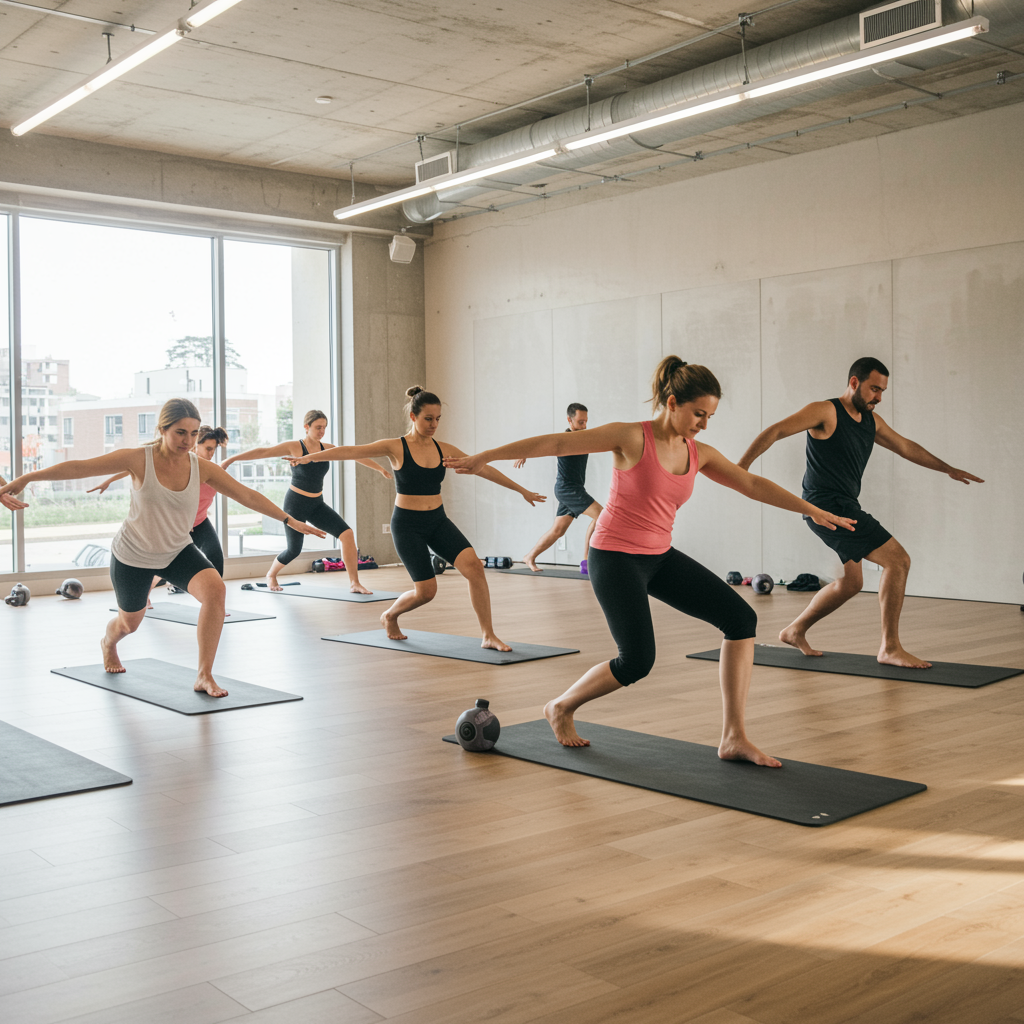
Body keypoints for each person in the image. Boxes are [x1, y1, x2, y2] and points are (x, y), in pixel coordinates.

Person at [445, 356, 855, 760]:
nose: (704, 424)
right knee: (638, 661)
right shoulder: (631, 437)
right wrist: (486, 456)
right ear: (672, 402)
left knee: (740, 619)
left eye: (710, 416)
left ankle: (734, 738)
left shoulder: (699, 452)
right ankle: (561, 706)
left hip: (658, 556)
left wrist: (811, 509)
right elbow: (557, 443)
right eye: (698, 413)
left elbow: (749, 482)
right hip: (615, 557)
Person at [0, 398, 325, 696]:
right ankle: (108, 641)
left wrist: (289, 519)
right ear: (162, 430)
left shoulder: (201, 467)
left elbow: (247, 495)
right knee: (130, 623)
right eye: (181, 432)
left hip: (176, 550)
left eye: (194, 433)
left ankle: (204, 674)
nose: (188, 441)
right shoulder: (139, 459)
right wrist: (29, 477)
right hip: (133, 555)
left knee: (215, 591)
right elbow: (80, 466)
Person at [736, 356, 983, 669]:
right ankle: (889, 647)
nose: (878, 397)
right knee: (899, 560)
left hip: (847, 507)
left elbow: (906, 447)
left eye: (882, 391)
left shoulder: (871, 422)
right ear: (854, 382)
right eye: (874, 389)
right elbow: (776, 431)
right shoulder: (825, 411)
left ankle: (794, 630)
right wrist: (741, 469)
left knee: (851, 583)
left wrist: (947, 468)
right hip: (825, 508)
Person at [286, 386, 546, 651]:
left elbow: (482, 468)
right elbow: (349, 451)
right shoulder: (395, 447)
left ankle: (488, 635)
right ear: (413, 416)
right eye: (428, 419)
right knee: (426, 592)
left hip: (438, 521)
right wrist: (309, 459)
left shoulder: (443, 449)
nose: (434, 424)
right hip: (407, 525)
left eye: (437, 419)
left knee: (475, 569)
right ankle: (390, 615)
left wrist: (521, 490)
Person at [221, 409, 390, 594]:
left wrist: (380, 469)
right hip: (295, 504)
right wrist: (231, 459)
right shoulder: (295, 447)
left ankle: (354, 583)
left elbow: (354, 454)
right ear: (306, 427)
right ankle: (271, 574)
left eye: (324, 428)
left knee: (347, 534)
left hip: (317, 504)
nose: (321, 431)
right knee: (294, 550)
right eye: (318, 427)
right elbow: (264, 451)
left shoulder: (328, 448)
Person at [89, 425, 230, 607]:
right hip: (176, 526)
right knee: (161, 565)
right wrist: (109, 480)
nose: (212, 453)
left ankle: (214, 606)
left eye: (214, 449)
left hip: (200, 522)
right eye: (208, 448)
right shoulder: (182, 467)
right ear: (196, 445)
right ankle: (146, 593)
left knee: (215, 557)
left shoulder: (211, 471)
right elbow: (134, 467)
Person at [517, 402, 603, 574]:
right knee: (602, 516)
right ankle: (586, 561)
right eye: (580, 422)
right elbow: (540, 443)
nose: (584, 426)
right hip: (567, 489)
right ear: (569, 421)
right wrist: (524, 452)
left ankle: (529, 556)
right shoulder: (563, 439)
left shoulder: (585, 437)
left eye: (586, 421)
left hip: (574, 489)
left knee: (558, 531)